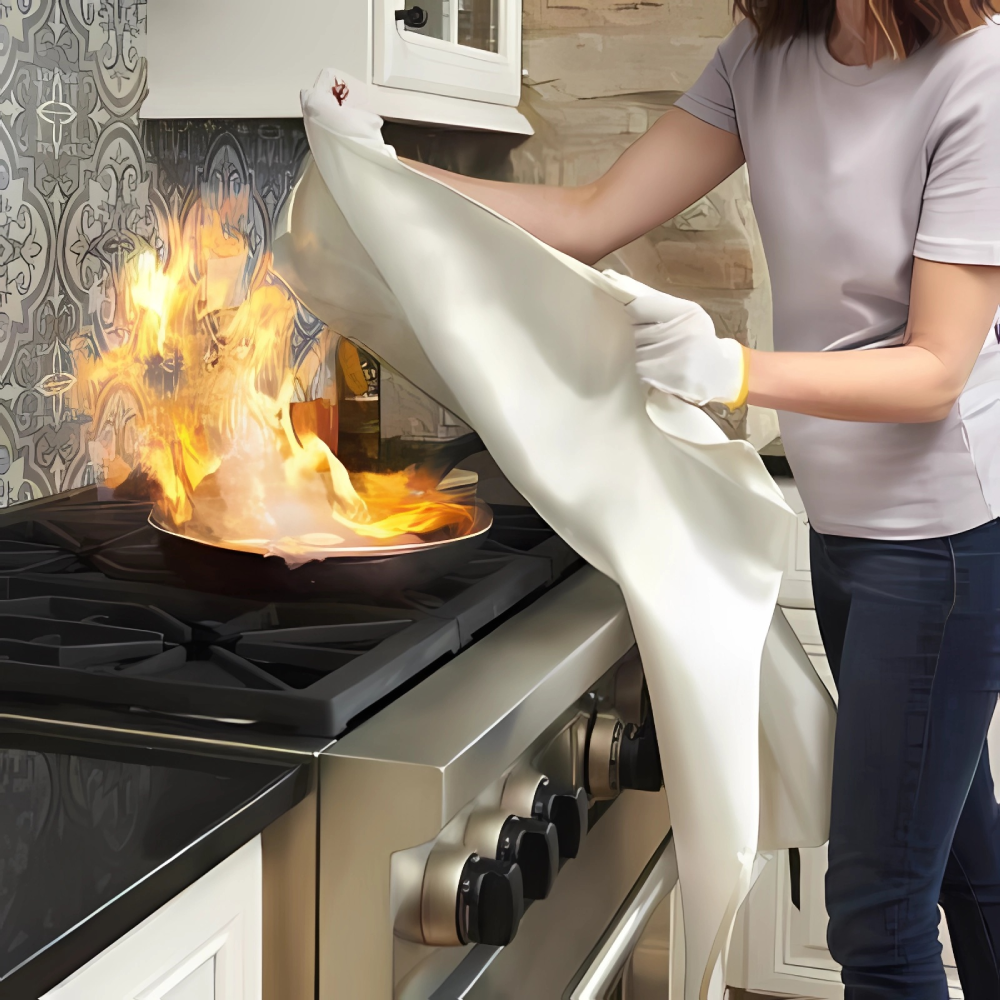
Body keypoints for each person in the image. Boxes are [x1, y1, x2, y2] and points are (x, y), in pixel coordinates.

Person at [402, 0, 1000, 996]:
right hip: (846, 534)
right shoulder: (765, 57)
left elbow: (936, 368)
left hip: (943, 545)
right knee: (968, 857)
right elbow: (589, 215)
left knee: (876, 920)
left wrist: (732, 369)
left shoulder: (975, 73)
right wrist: (381, 168)